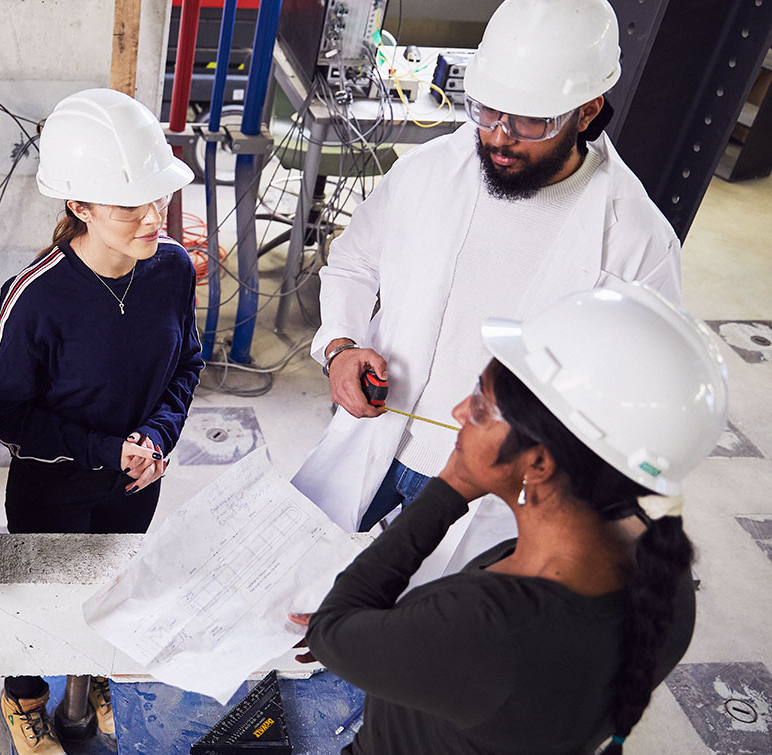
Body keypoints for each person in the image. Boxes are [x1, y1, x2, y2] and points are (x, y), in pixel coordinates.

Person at [292, 0, 682, 578]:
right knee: (297, 587)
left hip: (497, 488)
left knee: (409, 645)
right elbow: (353, 263)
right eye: (486, 111)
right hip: (377, 435)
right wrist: (341, 346)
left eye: (529, 121)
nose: (500, 137)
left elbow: (642, 396)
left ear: (587, 111)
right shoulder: (429, 171)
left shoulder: (635, 239)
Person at [290, 282, 729, 753]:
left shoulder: (492, 625)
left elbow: (332, 632)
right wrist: (398, 640)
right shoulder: (664, 578)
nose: (460, 412)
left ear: (539, 463)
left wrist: (453, 484)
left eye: (480, 405)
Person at [0, 88, 204, 755]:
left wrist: (157, 437)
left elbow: (187, 362)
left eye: (157, 196)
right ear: (78, 204)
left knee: (112, 594)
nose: (151, 215)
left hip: (137, 483)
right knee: (38, 609)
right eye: (130, 202)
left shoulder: (171, 270)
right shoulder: (37, 296)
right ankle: (23, 698)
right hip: (56, 488)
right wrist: (106, 449)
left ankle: (90, 676)